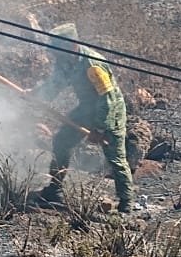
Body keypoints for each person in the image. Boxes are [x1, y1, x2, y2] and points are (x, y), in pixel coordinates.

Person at [31, 23, 135, 213]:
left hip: (110, 112)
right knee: (61, 141)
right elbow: (55, 83)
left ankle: (126, 205)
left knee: (115, 157)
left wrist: (101, 128)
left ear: (72, 46)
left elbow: (107, 99)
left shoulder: (93, 66)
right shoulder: (65, 60)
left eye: (58, 49)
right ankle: (54, 190)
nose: (54, 54)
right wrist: (36, 95)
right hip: (87, 108)